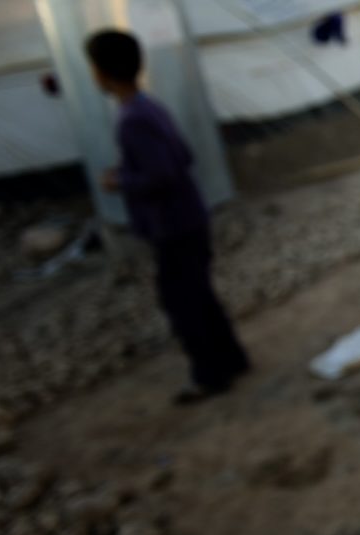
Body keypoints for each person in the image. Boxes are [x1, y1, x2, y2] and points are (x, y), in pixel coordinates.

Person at [86, 29, 249, 404]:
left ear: (101, 73)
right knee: (200, 295)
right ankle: (231, 360)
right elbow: (183, 157)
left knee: (181, 302)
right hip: (188, 216)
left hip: (171, 223)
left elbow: (163, 173)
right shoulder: (149, 107)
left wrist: (120, 180)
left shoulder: (132, 119)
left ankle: (209, 375)